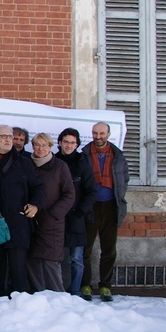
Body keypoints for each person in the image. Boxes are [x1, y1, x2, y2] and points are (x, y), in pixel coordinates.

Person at [0, 125, 45, 299]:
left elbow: (38, 188)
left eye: (10, 136)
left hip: (18, 223)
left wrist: (35, 205)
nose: (9, 139)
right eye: (4, 136)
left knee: (18, 271)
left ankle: (20, 307)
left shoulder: (24, 162)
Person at [81, 122, 130, 302]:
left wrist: (119, 195)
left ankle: (105, 286)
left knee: (109, 250)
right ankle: (85, 284)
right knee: (85, 249)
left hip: (111, 206)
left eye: (102, 133)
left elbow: (124, 178)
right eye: (95, 133)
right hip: (91, 206)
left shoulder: (118, 155)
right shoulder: (84, 155)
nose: (98, 136)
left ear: (108, 134)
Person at [27, 133, 75, 293]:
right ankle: (38, 297)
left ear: (51, 146)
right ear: (32, 146)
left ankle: (57, 298)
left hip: (51, 222)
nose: (40, 149)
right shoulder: (26, 164)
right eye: (37, 145)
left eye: (44, 145)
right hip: (30, 220)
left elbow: (69, 194)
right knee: (32, 260)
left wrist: (54, 213)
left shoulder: (60, 166)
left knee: (50, 261)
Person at [55, 127, 97, 297]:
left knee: (76, 259)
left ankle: (75, 291)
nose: (69, 145)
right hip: (56, 216)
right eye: (66, 142)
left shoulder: (83, 163)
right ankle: (56, 291)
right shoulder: (53, 161)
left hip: (77, 217)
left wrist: (80, 212)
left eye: (73, 143)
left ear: (77, 144)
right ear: (59, 143)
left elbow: (91, 191)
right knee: (54, 257)